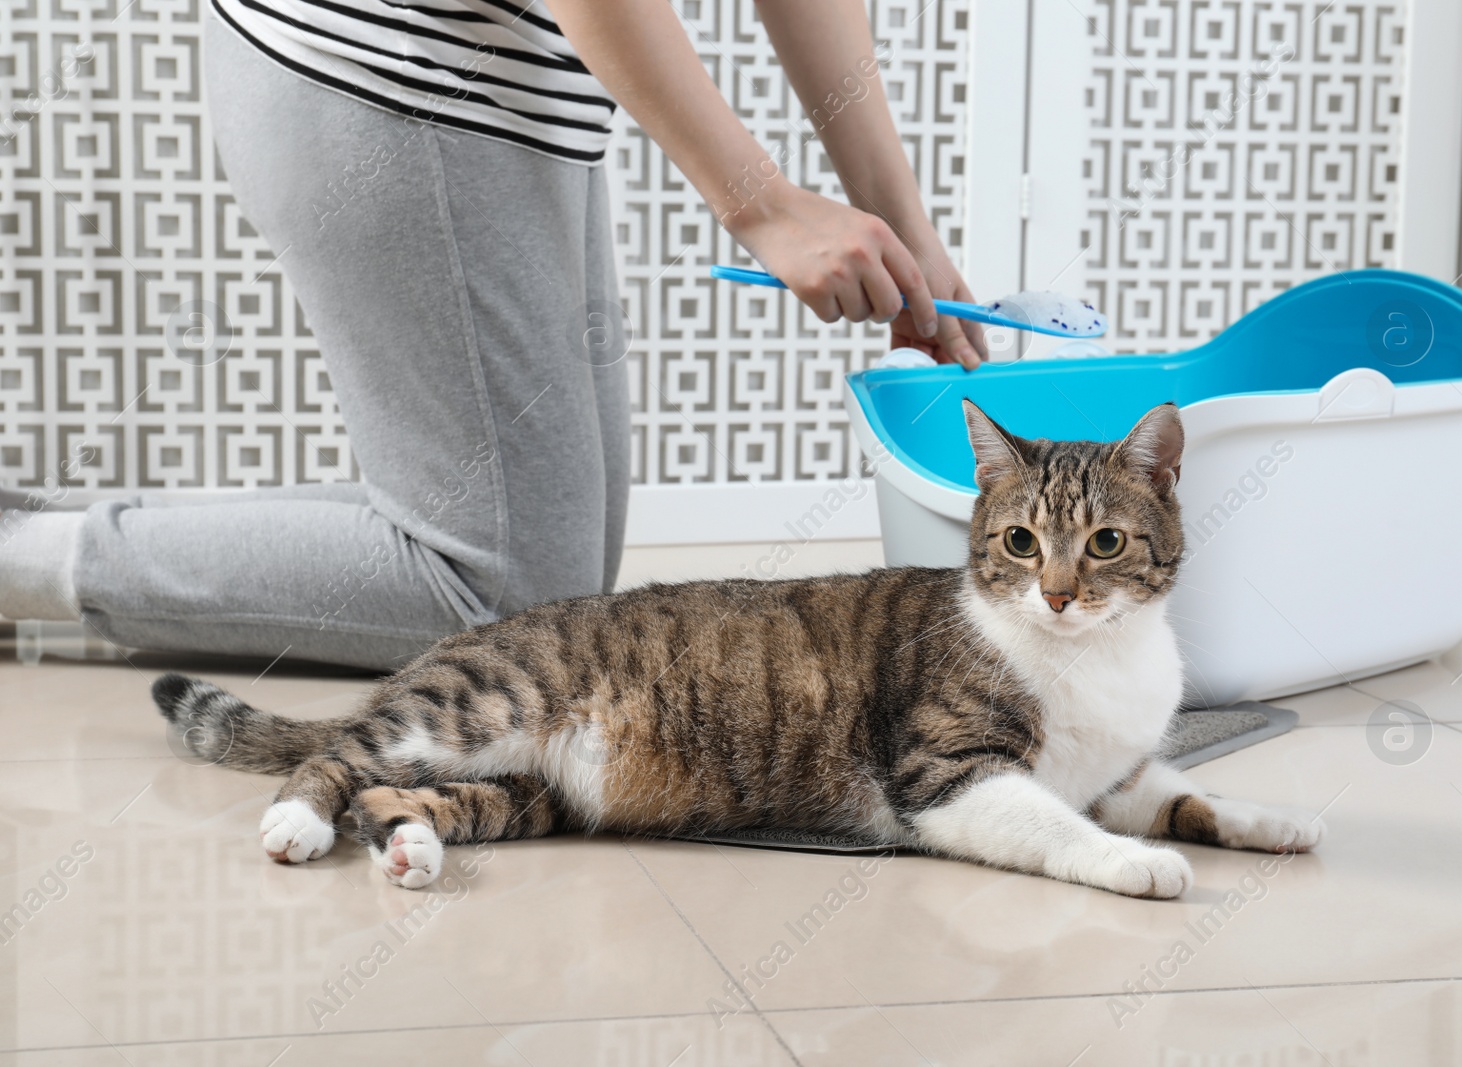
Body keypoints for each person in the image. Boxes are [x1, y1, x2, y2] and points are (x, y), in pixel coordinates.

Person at [0, 0, 986, 670]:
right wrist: (762, 205)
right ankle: (23, 557)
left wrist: (895, 215)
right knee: (506, 591)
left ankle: (39, 533)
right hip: (389, 74)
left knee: (548, 565)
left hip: (504, 94)